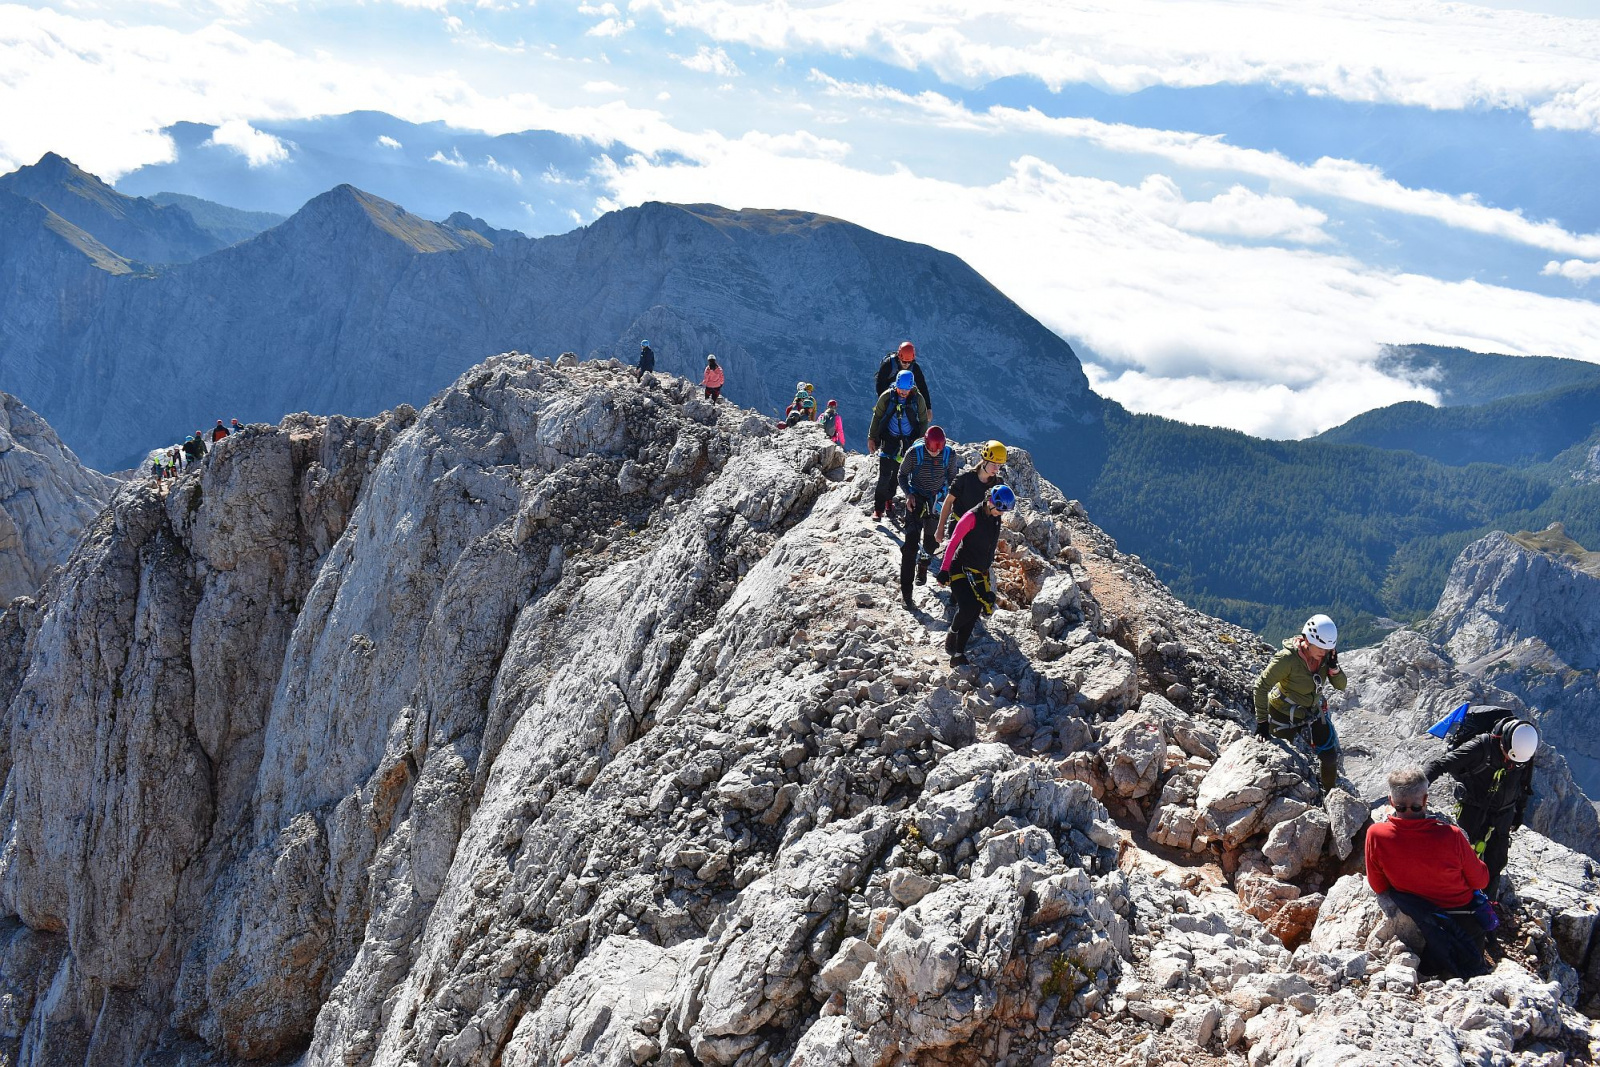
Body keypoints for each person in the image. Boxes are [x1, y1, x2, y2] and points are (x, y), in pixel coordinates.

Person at [1365, 766, 1493, 978]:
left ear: (1390, 801)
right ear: (1425, 800)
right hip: (1462, 920)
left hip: (1417, 918)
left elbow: (1378, 886)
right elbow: (1480, 881)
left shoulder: (1376, 834)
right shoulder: (1451, 835)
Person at [1425, 712, 1538, 897]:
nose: (1511, 762)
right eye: (1509, 757)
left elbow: (1523, 784)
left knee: (1496, 861)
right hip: (1473, 809)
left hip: (1503, 813)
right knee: (1462, 857)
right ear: (1503, 742)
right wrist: (1416, 790)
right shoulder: (1481, 746)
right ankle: (1456, 898)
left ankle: (1488, 902)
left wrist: (1519, 813)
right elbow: (1440, 765)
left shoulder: (1524, 752)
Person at [1253, 614, 1346, 792]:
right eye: (1320, 648)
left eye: (1327, 649)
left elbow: (1341, 686)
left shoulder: (1326, 657)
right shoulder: (1287, 659)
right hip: (1283, 712)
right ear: (1307, 640)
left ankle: (1330, 794)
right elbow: (1261, 686)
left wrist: (1334, 668)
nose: (1323, 653)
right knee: (1281, 760)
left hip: (1312, 711)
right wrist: (1262, 722)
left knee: (1329, 757)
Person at [936, 484, 1015, 666]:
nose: (1001, 514)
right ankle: (953, 631)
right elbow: (953, 542)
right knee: (968, 607)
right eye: (1000, 510)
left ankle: (958, 655)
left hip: (979, 571)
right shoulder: (971, 517)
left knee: (976, 610)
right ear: (991, 502)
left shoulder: (995, 517)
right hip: (960, 568)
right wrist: (944, 570)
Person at [896, 426, 957, 607]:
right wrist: (908, 494)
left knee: (932, 543)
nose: (935, 453)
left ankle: (923, 565)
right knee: (910, 546)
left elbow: (952, 478)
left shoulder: (949, 455)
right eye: (931, 449)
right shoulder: (914, 453)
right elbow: (902, 475)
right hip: (916, 497)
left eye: (938, 450)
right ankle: (906, 594)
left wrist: (948, 501)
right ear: (925, 443)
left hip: (936, 499)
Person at [867, 370, 929, 520]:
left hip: (907, 442)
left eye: (906, 389)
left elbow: (923, 421)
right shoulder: (887, 397)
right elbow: (877, 417)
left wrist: (921, 442)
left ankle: (889, 501)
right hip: (889, 439)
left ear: (911, 387)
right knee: (884, 475)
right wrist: (871, 438)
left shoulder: (917, 399)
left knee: (897, 474)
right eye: (901, 389)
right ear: (896, 386)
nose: (903, 392)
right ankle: (878, 509)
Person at [937, 441, 1007, 543]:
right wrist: (940, 528)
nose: (996, 469)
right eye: (993, 464)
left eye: (999, 465)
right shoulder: (965, 478)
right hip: (959, 528)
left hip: (981, 532)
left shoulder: (998, 484)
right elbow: (948, 502)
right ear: (984, 461)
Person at [874, 341, 933, 418]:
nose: (907, 364)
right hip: (889, 393)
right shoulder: (888, 365)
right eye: (904, 362)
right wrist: (883, 404)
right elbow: (880, 384)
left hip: (905, 394)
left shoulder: (914, 367)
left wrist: (928, 408)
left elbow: (922, 386)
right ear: (899, 358)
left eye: (909, 362)